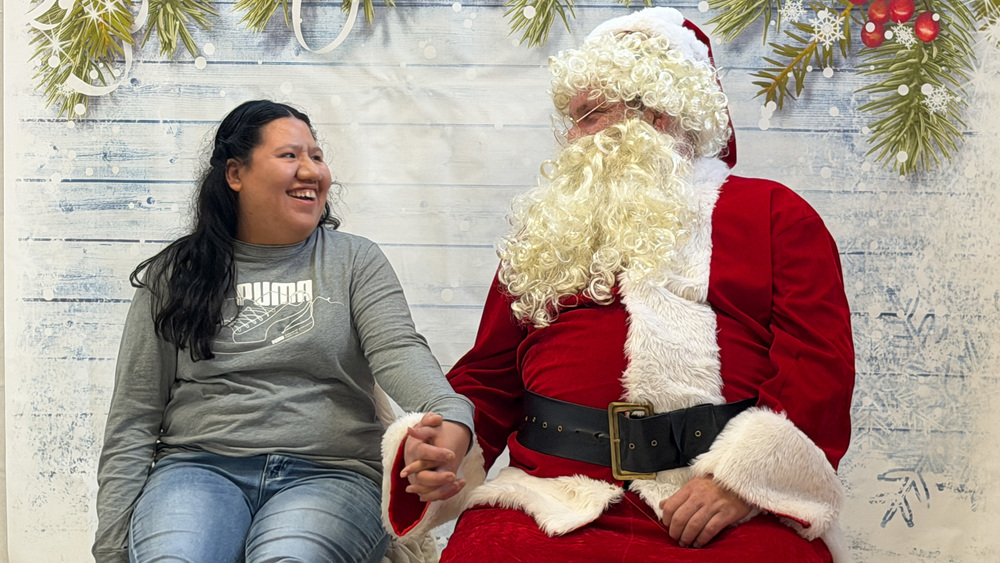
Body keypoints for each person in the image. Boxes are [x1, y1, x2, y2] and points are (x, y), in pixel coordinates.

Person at [380, 7, 855, 563]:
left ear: (657, 114)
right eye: (571, 119)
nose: (572, 137)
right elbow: (489, 375)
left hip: (713, 501)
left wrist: (741, 481)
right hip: (546, 496)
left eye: (590, 116)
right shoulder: (547, 231)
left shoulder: (772, 213)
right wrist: (450, 442)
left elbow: (817, 366)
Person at [92, 100, 474, 563]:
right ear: (235, 174)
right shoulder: (177, 273)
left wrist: (451, 419)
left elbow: (402, 355)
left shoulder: (354, 261)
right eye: (290, 155)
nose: (311, 171)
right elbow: (134, 420)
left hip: (332, 474)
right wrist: (112, 550)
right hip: (197, 469)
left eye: (316, 156)